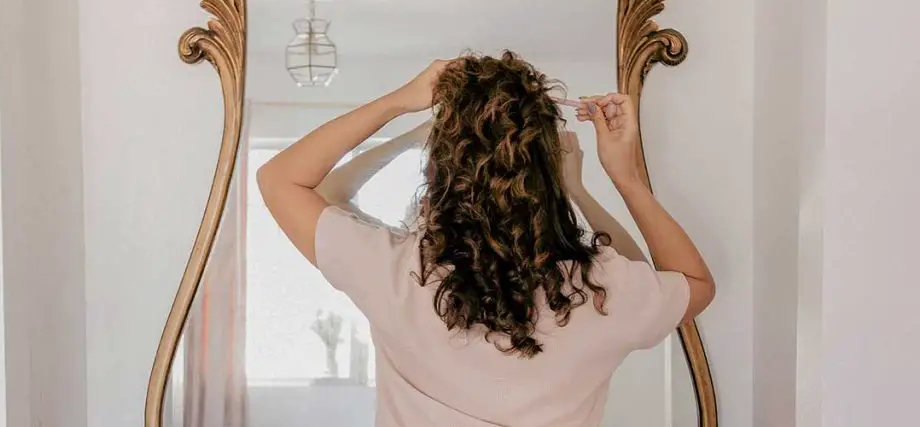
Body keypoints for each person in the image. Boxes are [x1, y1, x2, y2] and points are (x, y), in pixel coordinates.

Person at [256, 52, 715, 427]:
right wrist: (621, 178)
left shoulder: (397, 272)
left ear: (439, 170)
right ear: (546, 175)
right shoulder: (596, 290)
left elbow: (284, 181)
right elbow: (686, 281)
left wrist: (400, 109)